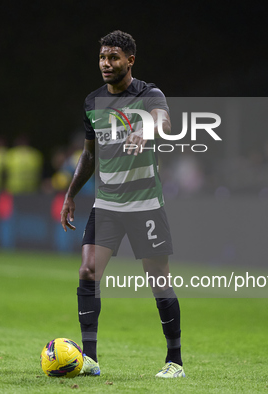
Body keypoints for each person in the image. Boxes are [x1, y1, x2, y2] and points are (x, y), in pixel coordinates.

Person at [60, 30, 184, 378]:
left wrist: (144, 130)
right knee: (87, 271)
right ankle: (90, 358)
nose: (106, 63)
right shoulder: (92, 102)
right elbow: (89, 154)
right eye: (102, 57)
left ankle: (175, 361)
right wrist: (70, 195)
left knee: (158, 280)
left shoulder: (149, 94)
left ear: (130, 60)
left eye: (113, 57)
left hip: (145, 204)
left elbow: (164, 122)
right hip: (108, 204)